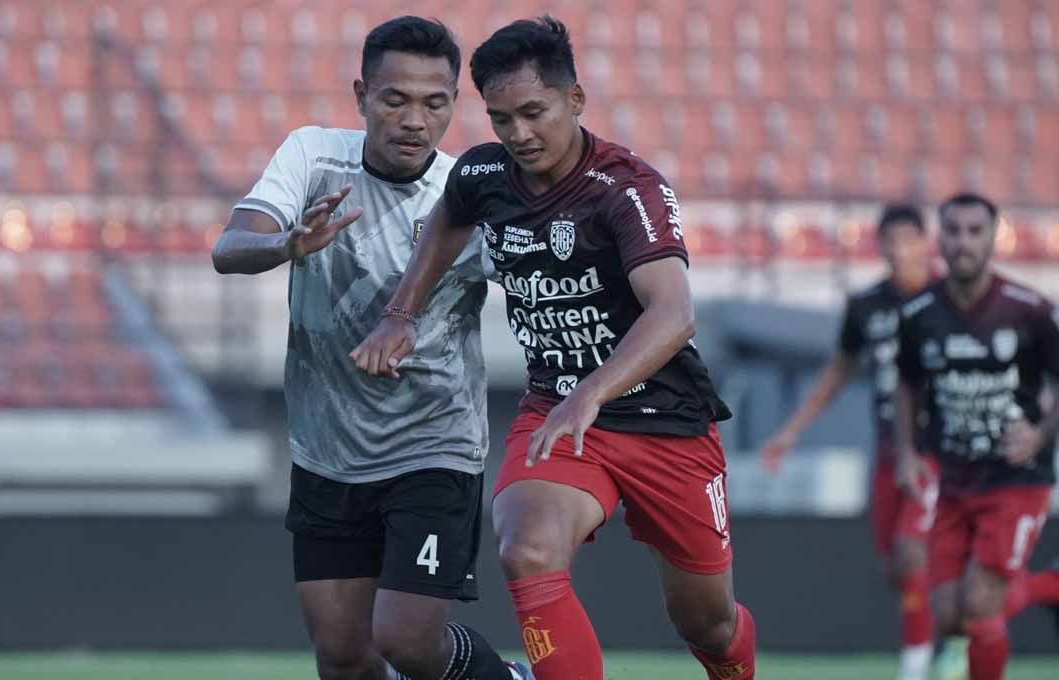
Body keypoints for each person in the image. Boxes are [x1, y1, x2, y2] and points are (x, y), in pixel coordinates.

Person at [353, 16, 754, 680]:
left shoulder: (628, 190)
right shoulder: (487, 174)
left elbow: (673, 313)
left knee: (707, 623)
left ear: (576, 100)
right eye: (502, 118)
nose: (519, 134)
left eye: (534, 113)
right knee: (526, 549)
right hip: (558, 413)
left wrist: (593, 393)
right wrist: (401, 314)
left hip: (664, 423)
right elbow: (447, 219)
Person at [213, 16, 529, 680]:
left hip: (433, 446)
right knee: (342, 654)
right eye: (395, 99)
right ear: (361, 97)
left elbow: (542, 277)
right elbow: (229, 249)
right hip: (326, 450)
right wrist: (286, 246)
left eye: (434, 102)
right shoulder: (311, 156)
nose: (415, 118)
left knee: (408, 644)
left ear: (452, 105)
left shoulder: (468, 194)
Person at [761, 204, 941, 680]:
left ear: (926, 243)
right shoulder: (867, 308)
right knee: (895, 567)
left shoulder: (950, 300)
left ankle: (918, 667)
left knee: (910, 551)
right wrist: (789, 433)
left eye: (909, 239)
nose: (900, 251)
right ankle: (953, 628)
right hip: (886, 451)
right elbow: (838, 372)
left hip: (940, 451)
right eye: (891, 241)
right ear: (880, 247)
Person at [894, 192, 1059, 680]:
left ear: (993, 238)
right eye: (954, 231)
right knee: (948, 612)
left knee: (982, 604)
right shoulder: (920, 314)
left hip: (1016, 478)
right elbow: (905, 385)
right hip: (954, 479)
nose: (963, 242)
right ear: (939, 239)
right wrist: (905, 452)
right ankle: (1050, 585)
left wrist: (1040, 434)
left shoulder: (1029, 310)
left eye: (975, 231)